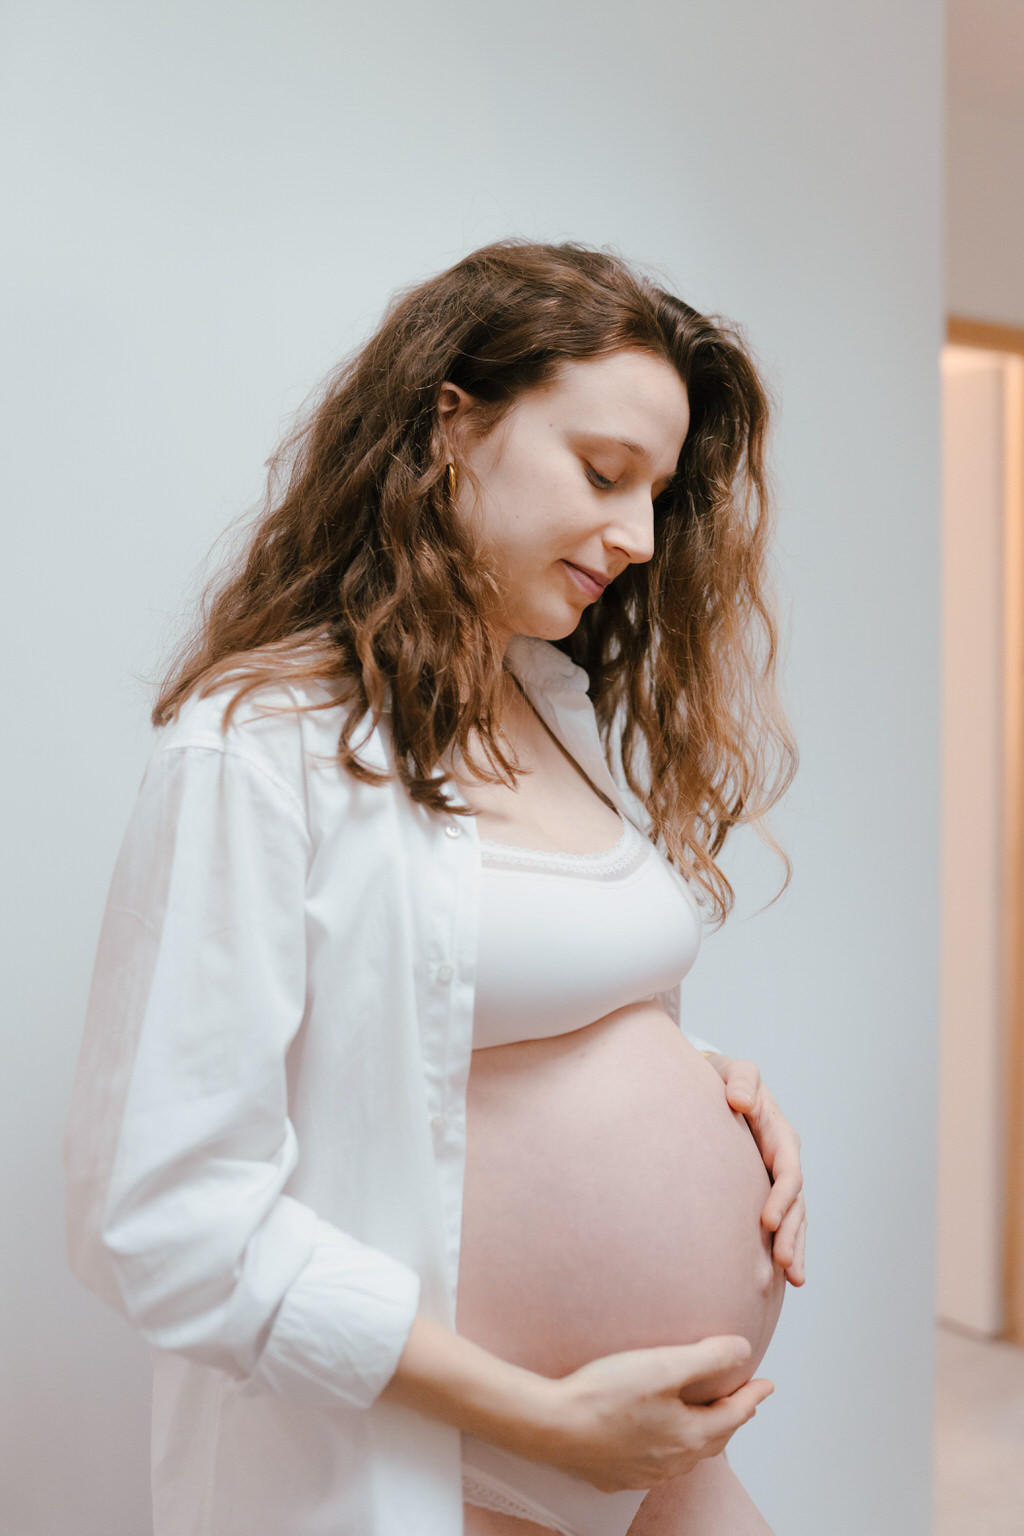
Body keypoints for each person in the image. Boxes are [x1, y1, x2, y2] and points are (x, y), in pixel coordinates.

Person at [63, 238, 805, 1536]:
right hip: (445, 1461)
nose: (638, 537)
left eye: (658, 494)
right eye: (602, 473)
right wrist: (541, 1416)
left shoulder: (552, 701)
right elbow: (163, 1217)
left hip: (658, 1470)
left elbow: (467, 1014)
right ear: (452, 426)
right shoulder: (258, 746)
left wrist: (715, 1090)